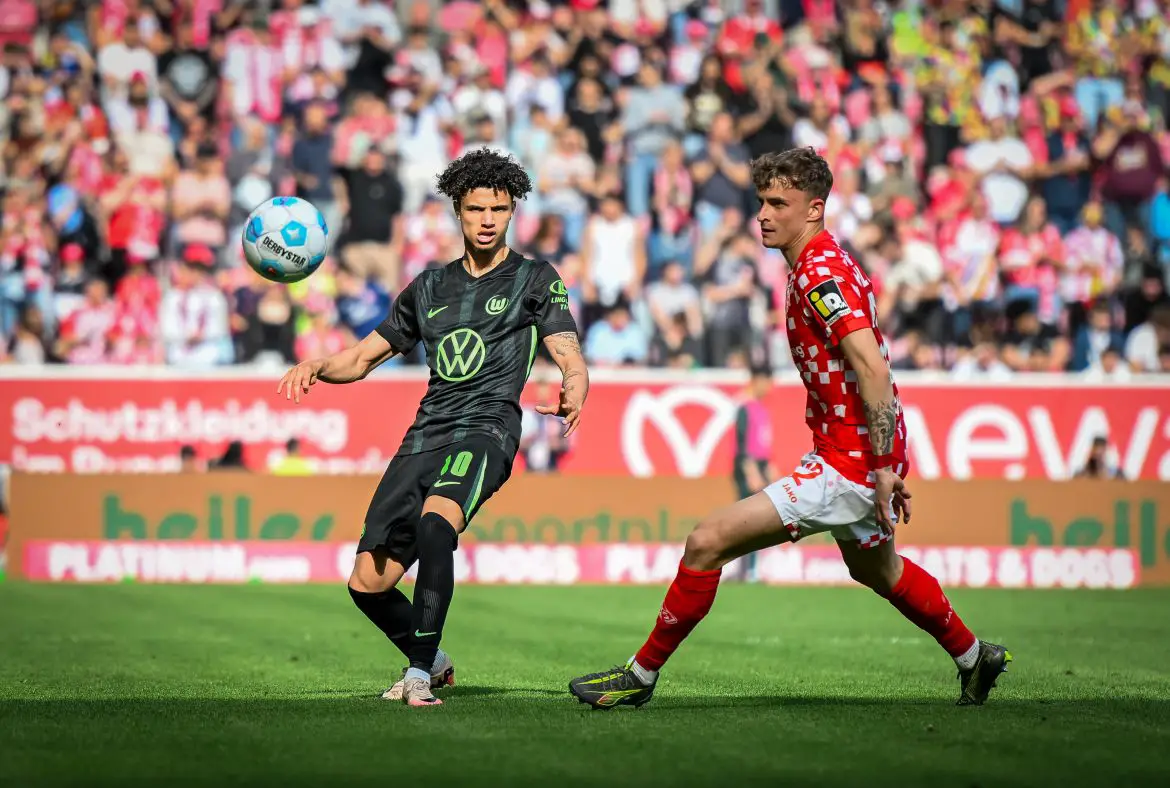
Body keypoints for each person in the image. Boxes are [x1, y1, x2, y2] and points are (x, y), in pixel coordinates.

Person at [568, 147, 1010, 710]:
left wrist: (877, 468)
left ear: (815, 208)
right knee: (878, 567)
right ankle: (975, 657)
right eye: (761, 202)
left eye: (780, 203)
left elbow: (872, 366)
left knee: (706, 542)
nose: (764, 214)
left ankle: (641, 675)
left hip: (850, 459)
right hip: (858, 447)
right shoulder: (820, 262)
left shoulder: (820, 273)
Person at [278, 148, 587, 707]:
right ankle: (437, 662)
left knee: (436, 524)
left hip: (487, 427)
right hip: (426, 434)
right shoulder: (427, 289)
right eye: (475, 209)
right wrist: (320, 365)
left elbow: (564, 342)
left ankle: (417, 672)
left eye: (498, 208)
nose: (487, 219)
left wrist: (575, 376)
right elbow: (364, 358)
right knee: (367, 584)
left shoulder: (535, 277)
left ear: (513, 210)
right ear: (457, 212)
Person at [728, 364, 776, 583]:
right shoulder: (744, 408)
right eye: (767, 381)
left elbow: (762, 445)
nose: (769, 387)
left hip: (760, 467)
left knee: (758, 522)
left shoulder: (761, 408)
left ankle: (751, 569)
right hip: (749, 470)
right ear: (757, 380)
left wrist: (770, 468)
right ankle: (746, 570)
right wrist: (752, 472)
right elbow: (742, 444)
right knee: (748, 521)